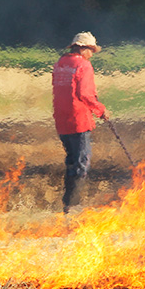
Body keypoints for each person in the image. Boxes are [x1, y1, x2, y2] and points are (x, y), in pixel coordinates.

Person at [52, 31, 108, 213]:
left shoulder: (60, 64)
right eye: (91, 50)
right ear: (83, 48)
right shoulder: (83, 65)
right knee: (82, 162)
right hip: (78, 119)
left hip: (61, 119)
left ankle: (68, 202)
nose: (92, 54)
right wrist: (100, 109)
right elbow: (84, 94)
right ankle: (73, 205)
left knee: (71, 160)